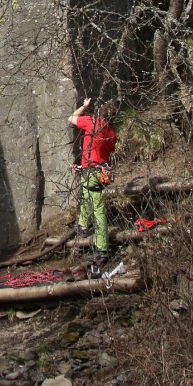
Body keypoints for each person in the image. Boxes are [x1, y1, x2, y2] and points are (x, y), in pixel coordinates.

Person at [69, 96, 116, 277]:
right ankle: (82, 225)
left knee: (96, 206)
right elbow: (105, 152)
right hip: (103, 170)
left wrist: (83, 106)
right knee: (87, 193)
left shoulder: (92, 122)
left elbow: (71, 118)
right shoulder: (111, 132)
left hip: (92, 169)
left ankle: (102, 247)